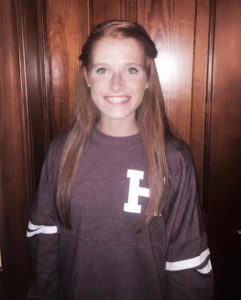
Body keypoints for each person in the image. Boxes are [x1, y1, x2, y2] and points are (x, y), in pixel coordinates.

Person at [26, 20, 213, 299]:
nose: (116, 84)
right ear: (87, 77)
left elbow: (186, 260)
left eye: (131, 69)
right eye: (103, 70)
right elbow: (44, 239)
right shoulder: (60, 152)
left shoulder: (173, 159)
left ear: (148, 77)